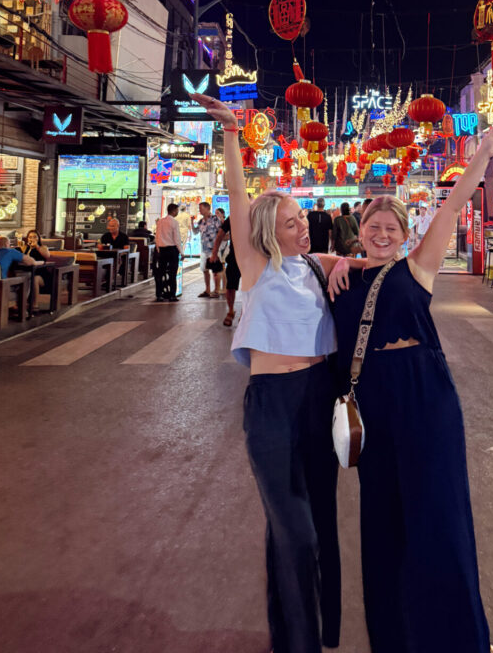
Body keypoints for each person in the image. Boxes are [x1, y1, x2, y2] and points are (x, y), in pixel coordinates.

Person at [325, 122, 493, 653]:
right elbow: (285, 259)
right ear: (358, 230)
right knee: (383, 521)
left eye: (392, 229)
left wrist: (484, 151)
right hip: (373, 404)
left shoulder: (418, 269)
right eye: (373, 227)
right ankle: (395, 635)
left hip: (425, 400)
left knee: (439, 516)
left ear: (406, 235)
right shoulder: (340, 276)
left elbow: (452, 205)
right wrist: (339, 260)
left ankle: (460, 637)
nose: (382, 234)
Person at [193, 91, 354, 653]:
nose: (303, 226)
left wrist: (386, 239)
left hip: (319, 403)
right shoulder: (257, 266)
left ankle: (291, 639)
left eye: (303, 217)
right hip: (273, 408)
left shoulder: (316, 264)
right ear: (268, 231)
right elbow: (239, 196)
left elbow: (383, 265)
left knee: (301, 532)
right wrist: (234, 135)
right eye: (291, 222)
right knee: (297, 534)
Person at [210, 214, 242, 327]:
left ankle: (245, 312)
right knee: (230, 286)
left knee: (252, 288)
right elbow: (220, 235)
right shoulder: (233, 217)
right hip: (234, 256)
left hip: (251, 257)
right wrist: (214, 253)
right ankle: (231, 310)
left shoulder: (255, 215)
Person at [154, 204, 184, 302]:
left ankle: (159, 295)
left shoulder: (160, 222)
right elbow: (177, 239)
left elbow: (157, 236)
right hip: (172, 250)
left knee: (160, 273)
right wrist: (181, 252)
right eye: (177, 210)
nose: (177, 212)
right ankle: (172, 295)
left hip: (162, 250)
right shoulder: (174, 222)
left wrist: (158, 249)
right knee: (172, 273)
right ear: (174, 211)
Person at [192, 201, 222, 298]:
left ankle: (217, 290)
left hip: (213, 249)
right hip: (204, 249)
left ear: (207, 208)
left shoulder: (215, 219)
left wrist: (218, 249)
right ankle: (207, 290)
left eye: (201, 208)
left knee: (215, 270)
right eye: (199, 209)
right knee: (204, 269)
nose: (200, 210)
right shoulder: (201, 221)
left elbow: (220, 232)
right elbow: (196, 232)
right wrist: (192, 223)